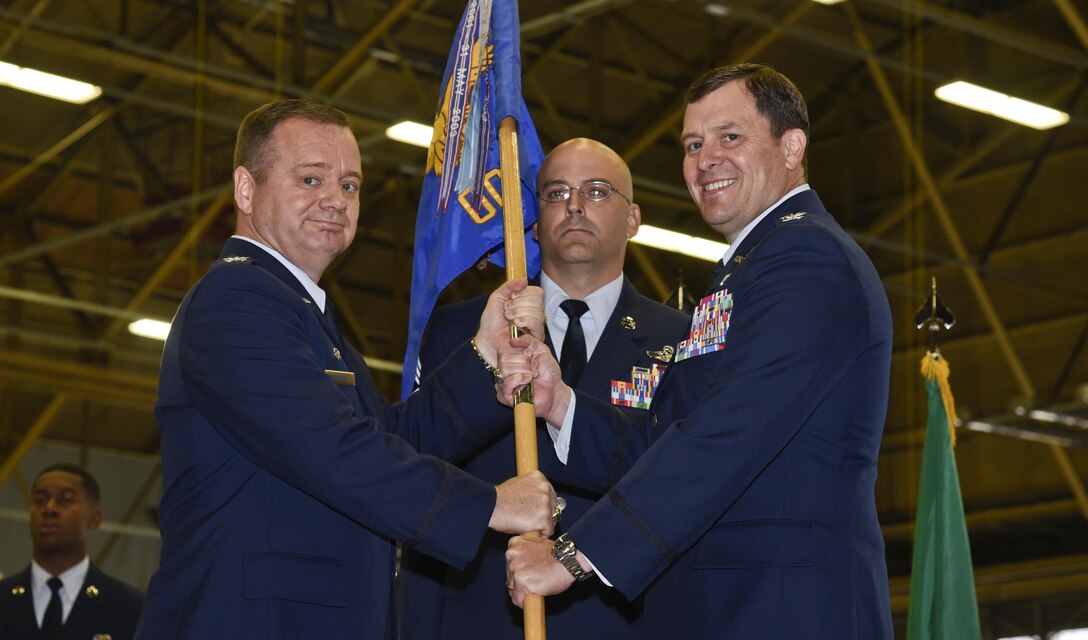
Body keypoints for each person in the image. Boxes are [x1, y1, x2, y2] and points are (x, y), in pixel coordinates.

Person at [134, 99, 558, 640]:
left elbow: (387, 438)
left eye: (350, 186)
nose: (335, 199)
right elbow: (330, 449)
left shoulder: (301, 311)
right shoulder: (236, 299)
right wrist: (491, 505)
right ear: (246, 189)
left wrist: (484, 354)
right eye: (311, 179)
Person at [501, 63, 895, 639]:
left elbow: (729, 434)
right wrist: (560, 404)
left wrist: (572, 554)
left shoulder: (809, 260)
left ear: (792, 147)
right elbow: (671, 434)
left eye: (729, 137)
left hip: (783, 611)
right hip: (733, 607)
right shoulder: (751, 265)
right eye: (692, 143)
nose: (704, 159)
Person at [398, 138, 690, 639]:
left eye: (597, 191)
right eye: (556, 193)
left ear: (634, 217)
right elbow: (415, 476)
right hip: (481, 618)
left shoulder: (682, 341)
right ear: (533, 222)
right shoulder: (462, 331)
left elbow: (687, 487)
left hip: (624, 621)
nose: (574, 205)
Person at [0, 464, 144, 640]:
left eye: (65, 500)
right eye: (40, 500)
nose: (49, 508)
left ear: (95, 518)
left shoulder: (130, 608)